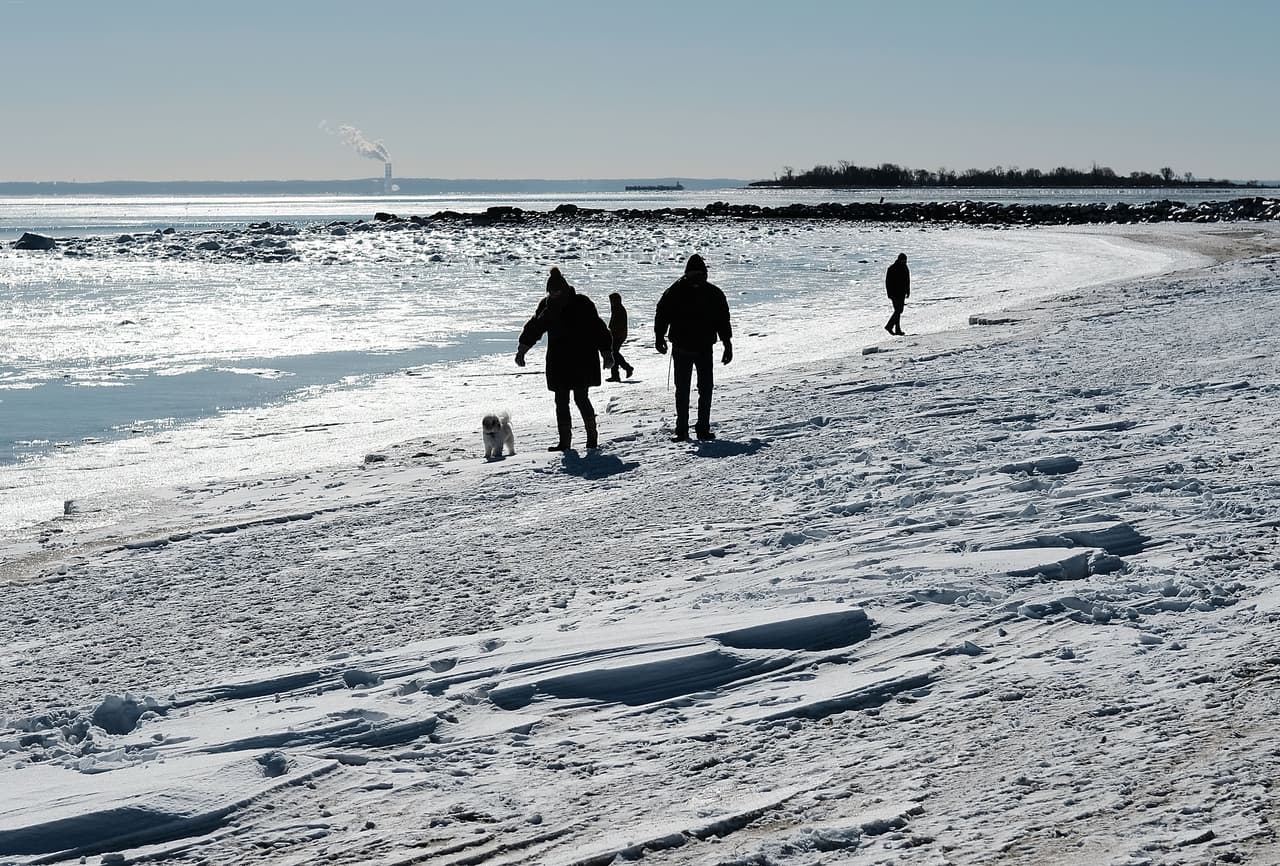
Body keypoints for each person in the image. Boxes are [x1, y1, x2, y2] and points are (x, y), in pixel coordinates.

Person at [515, 267, 613, 451]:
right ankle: (564, 442)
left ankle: (592, 437)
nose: (553, 295)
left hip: (581, 359)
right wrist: (522, 350)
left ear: (564, 289)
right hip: (558, 361)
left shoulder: (582, 303)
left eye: (556, 291)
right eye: (551, 292)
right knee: (561, 401)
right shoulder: (547, 306)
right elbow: (535, 327)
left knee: (581, 398)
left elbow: (598, 328)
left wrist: (607, 352)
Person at [654, 253, 733, 442]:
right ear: (687, 274)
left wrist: (727, 343)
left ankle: (699, 429)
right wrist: (659, 336)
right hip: (684, 348)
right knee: (686, 390)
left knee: (702, 389)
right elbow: (662, 313)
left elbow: (723, 320)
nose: (697, 279)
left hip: (703, 348)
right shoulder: (676, 291)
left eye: (700, 275)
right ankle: (684, 429)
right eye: (694, 275)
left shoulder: (712, 293)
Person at [605, 292, 635, 382]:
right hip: (618, 335)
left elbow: (617, 324)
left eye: (612, 300)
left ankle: (627, 368)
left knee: (614, 353)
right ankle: (616, 375)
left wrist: (611, 331)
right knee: (614, 353)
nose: (611, 302)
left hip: (618, 335)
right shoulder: (616, 308)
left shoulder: (619, 309)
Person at [885, 252, 910, 336]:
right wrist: (889, 293)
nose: (905, 261)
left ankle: (897, 329)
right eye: (904, 260)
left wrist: (908, 291)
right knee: (898, 310)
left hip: (901, 293)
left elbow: (907, 280)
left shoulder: (904, 267)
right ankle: (889, 326)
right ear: (900, 259)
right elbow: (888, 282)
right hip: (895, 293)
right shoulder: (892, 268)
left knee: (898, 311)